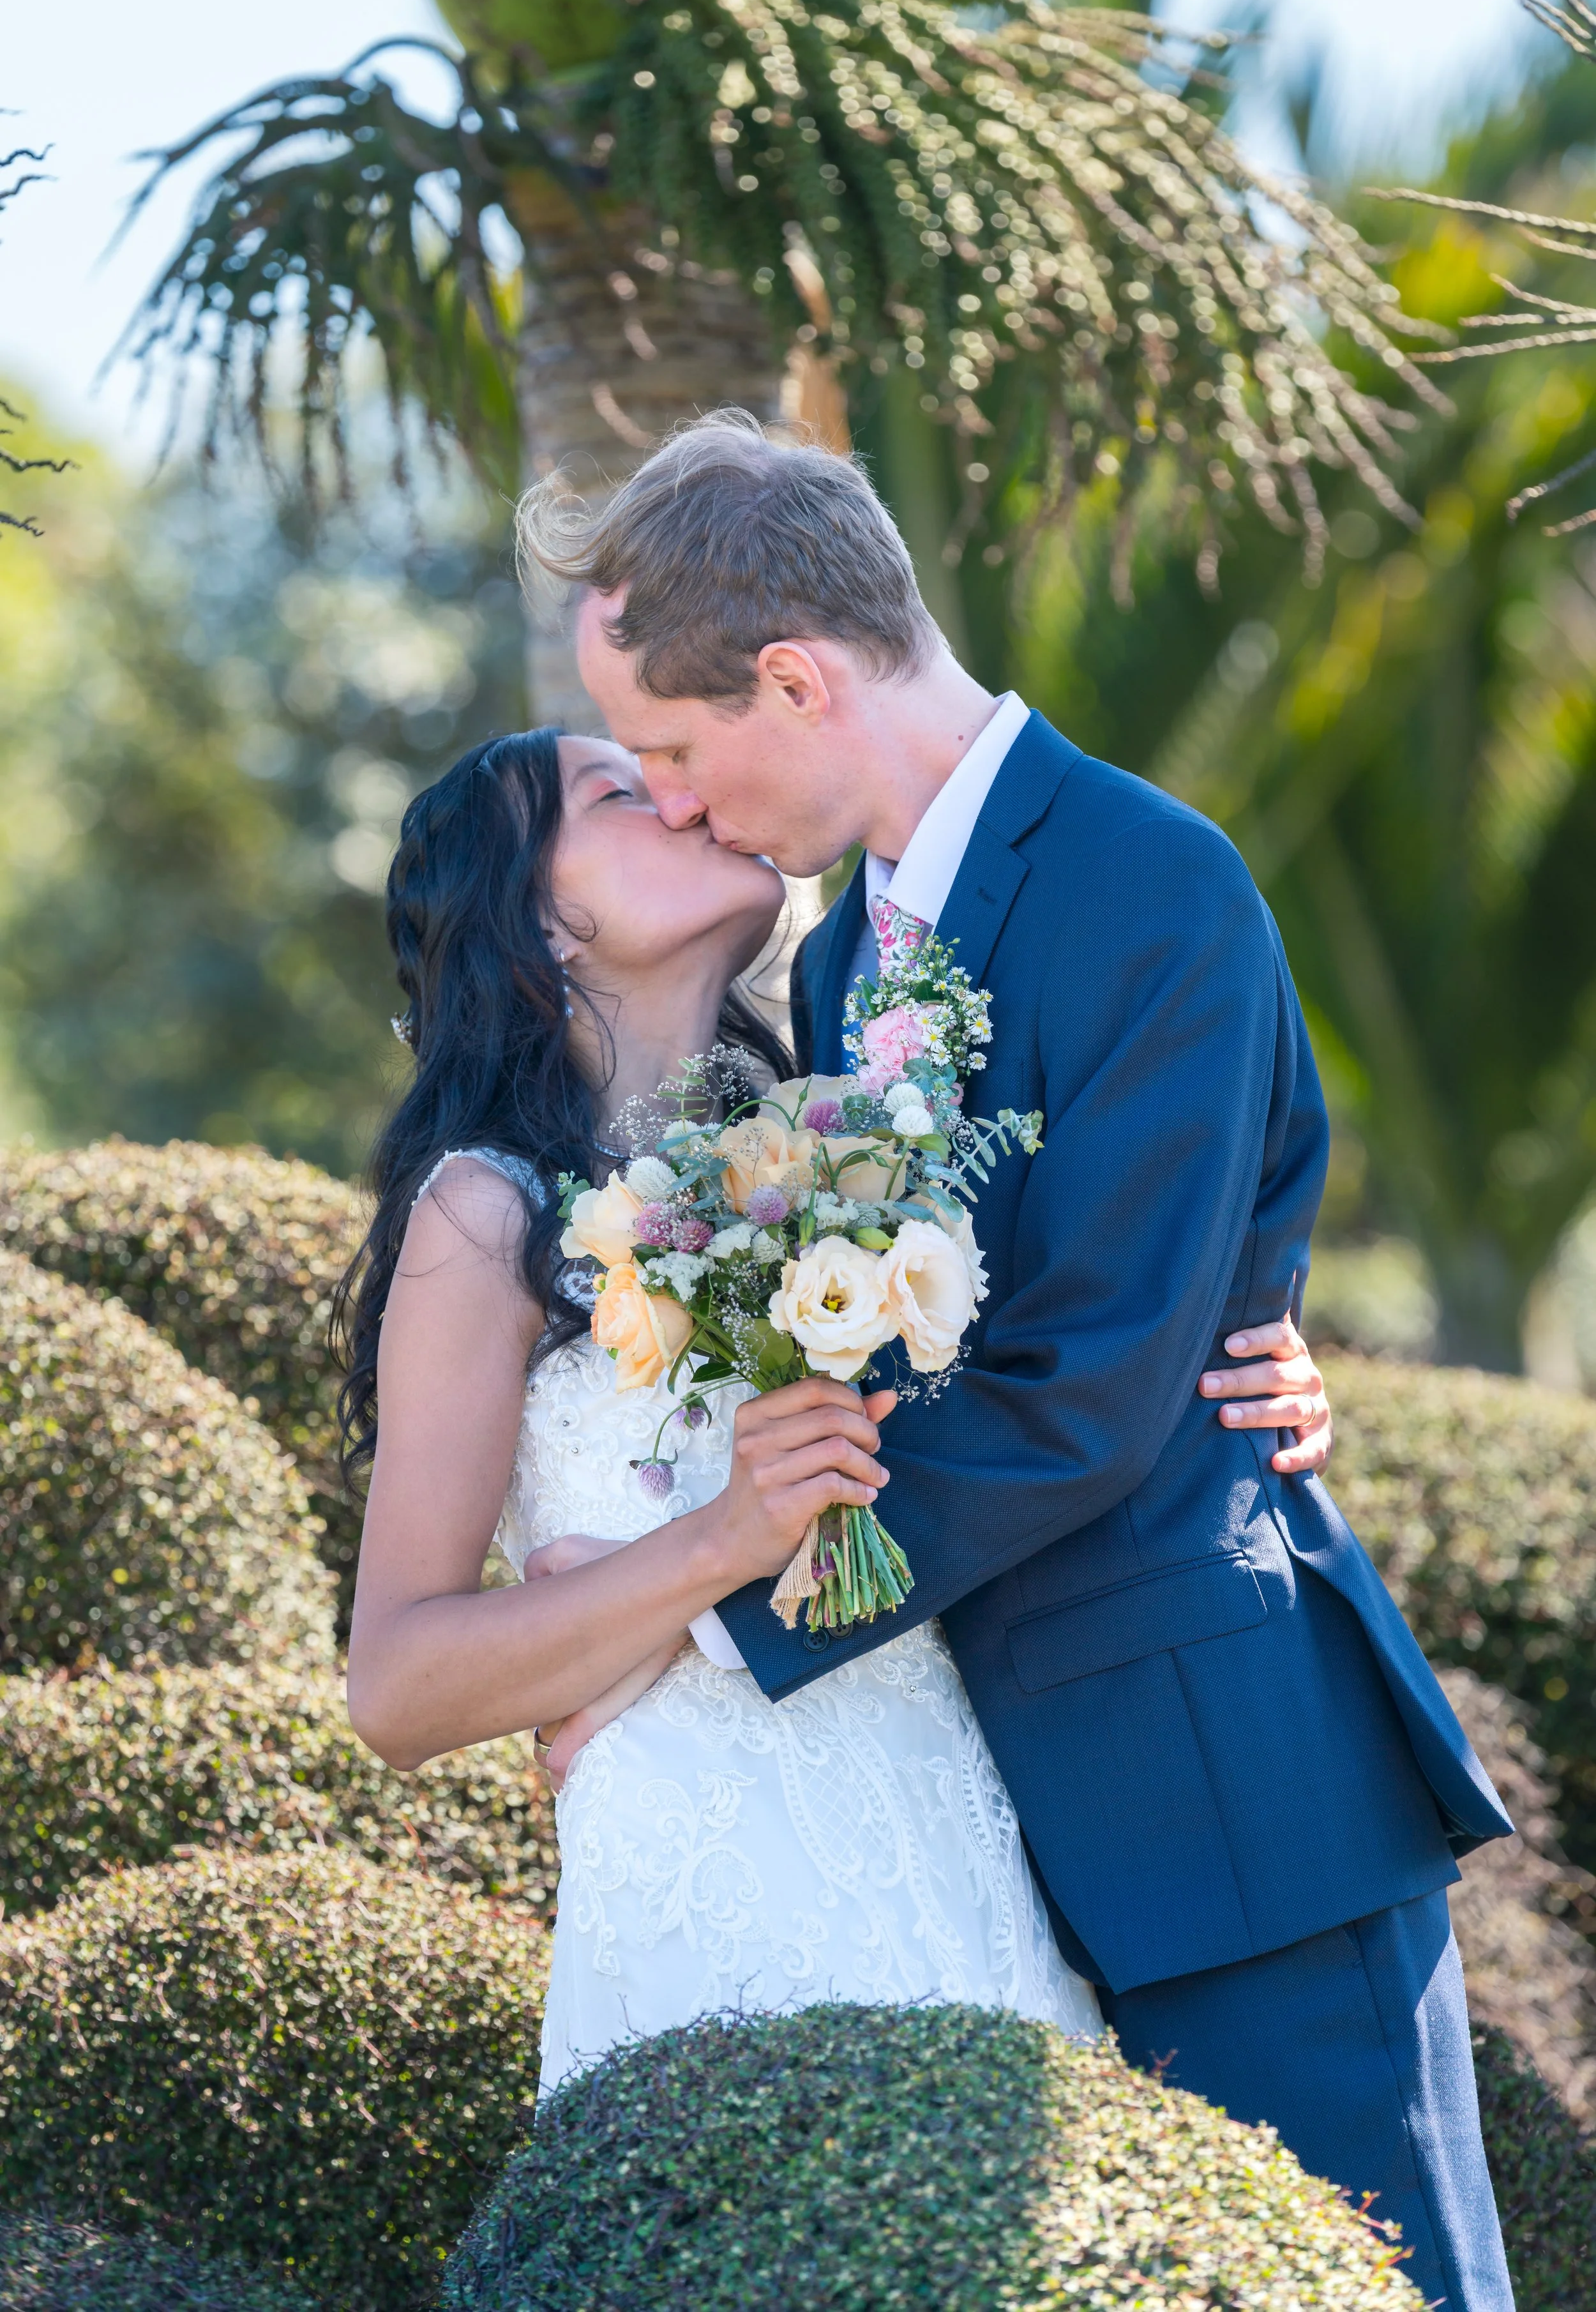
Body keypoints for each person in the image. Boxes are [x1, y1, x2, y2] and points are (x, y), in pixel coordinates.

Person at [511, 412, 1516, 2312]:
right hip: (989, 1828)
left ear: (793, 679)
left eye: (672, 747)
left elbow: (1090, 1381)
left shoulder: (1151, 881)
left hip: (1232, 1804)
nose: (676, 800)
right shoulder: (830, 971)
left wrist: (695, 1627)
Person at [338, 726, 1330, 2099]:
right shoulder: (482, 1214)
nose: (683, 795)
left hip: (965, 1826)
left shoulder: (854, 1135)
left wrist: (1245, 1361)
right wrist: (711, 1551)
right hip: (711, 1887)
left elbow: (1044, 1380)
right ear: (544, 925)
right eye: (624, 791)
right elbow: (395, 1687)